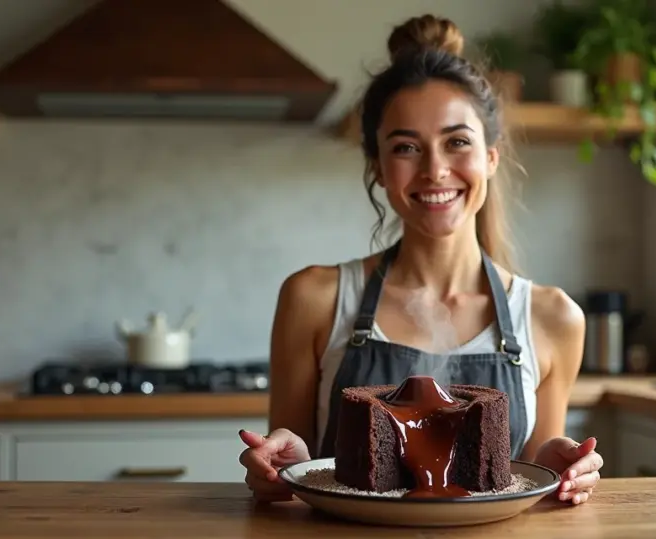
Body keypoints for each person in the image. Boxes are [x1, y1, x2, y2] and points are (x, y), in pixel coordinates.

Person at [238, 14, 604, 506]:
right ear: (379, 167)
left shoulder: (552, 317)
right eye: (406, 146)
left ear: (491, 157)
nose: (435, 170)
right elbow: (296, 467)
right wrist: (286, 464)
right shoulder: (315, 298)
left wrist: (561, 466)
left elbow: (528, 482)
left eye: (457, 142)